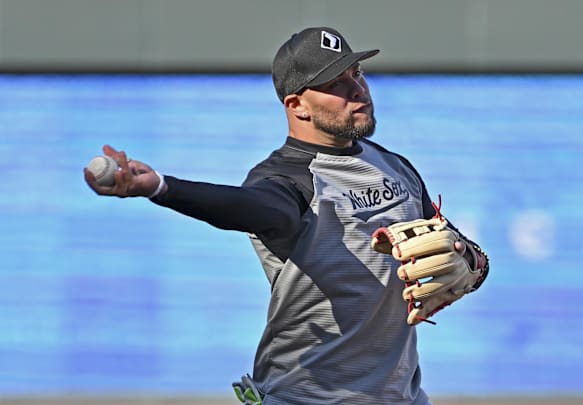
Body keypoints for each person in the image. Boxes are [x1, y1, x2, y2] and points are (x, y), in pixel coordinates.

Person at [84, 26, 488, 405]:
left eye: (356, 72)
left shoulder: (393, 165)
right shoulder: (285, 179)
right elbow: (246, 208)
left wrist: (470, 259)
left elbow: (453, 243)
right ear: (297, 106)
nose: (358, 89)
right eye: (335, 84)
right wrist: (161, 187)